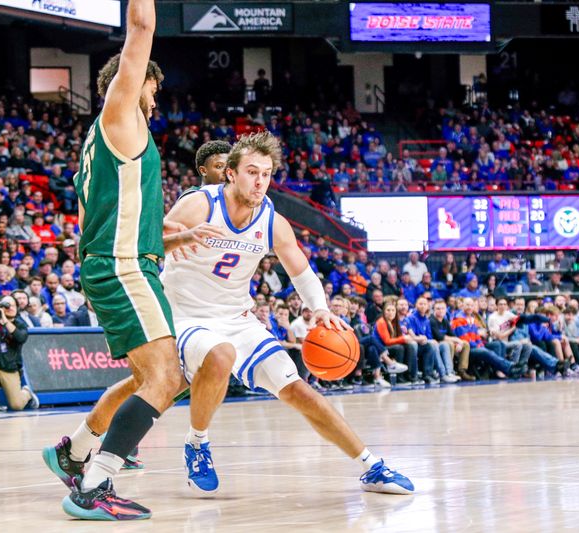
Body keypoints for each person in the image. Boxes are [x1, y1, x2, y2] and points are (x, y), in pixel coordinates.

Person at [42, 0, 221, 521]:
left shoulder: (106, 149)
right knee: (166, 379)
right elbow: (142, 24)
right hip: (121, 269)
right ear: (130, 81)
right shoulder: (119, 113)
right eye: (152, 85)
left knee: (166, 376)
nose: (156, 96)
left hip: (124, 263)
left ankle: (73, 453)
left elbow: (105, 225)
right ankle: (93, 486)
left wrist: (171, 238)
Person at [159, 131, 413, 496]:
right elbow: (147, 241)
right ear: (230, 173)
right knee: (218, 356)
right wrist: (175, 242)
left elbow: (300, 269)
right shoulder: (200, 204)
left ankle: (371, 466)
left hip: (236, 318)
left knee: (298, 390)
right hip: (186, 315)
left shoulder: (271, 220)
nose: (259, 180)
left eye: (265, 173)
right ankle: (197, 443)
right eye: (251, 171)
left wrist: (320, 310)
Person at [0, 296, 35, 411]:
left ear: (17, 308)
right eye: (6, 305)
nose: (10, 308)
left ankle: (27, 393)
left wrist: (5, 321)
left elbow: (20, 338)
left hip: (10, 368)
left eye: (12, 305)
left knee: (16, 405)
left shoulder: (20, 323)